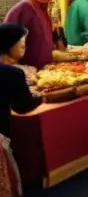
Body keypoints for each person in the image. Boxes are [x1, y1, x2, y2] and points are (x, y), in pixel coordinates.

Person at [0, 24, 41, 196]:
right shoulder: (12, 73)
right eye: (20, 43)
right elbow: (22, 106)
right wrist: (43, 97)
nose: (24, 45)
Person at [5, 0, 59, 69]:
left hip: (45, 73)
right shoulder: (21, 10)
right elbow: (5, 49)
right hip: (26, 75)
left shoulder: (44, 7)